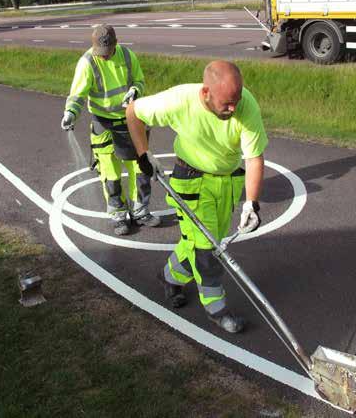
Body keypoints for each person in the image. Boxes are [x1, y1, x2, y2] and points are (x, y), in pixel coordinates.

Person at [126, 60, 268, 333]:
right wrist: (144, 154)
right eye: (227, 103)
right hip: (190, 180)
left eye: (236, 100)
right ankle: (217, 309)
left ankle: (168, 277)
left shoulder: (245, 105)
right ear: (206, 93)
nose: (233, 108)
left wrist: (251, 202)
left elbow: (253, 157)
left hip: (226, 181)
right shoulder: (179, 100)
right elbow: (133, 112)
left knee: (201, 242)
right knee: (207, 249)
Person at [62, 24, 160, 235]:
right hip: (103, 122)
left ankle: (140, 211)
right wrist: (70, 113)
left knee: (140, 168)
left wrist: (134, 91)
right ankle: (118, 214)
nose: (104, 57)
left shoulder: (127, 55)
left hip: (130, 120)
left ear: (115, 44)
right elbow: (78, 94)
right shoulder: (87, 62)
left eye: (107, 53)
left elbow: (140, 81)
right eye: (101, 53)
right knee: (110, 171)